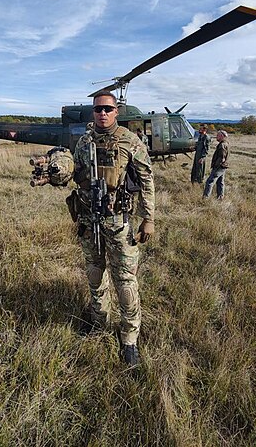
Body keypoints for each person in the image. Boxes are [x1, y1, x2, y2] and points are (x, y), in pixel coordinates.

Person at [72, 91, 155, 366]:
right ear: (93, 112)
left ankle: (129, 339)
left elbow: (146, 180)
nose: (102, 114)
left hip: (119, 223)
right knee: (95, 275)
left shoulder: (131, 141)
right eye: (98, 109)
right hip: (89, 221)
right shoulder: (84, 142)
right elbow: (75, 173)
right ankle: (99, 322)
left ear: (116, 111)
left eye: (108, 109)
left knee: (125, 282)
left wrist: (149, 218)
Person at [203, 130, 230, 200]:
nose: (216, 137)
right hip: (223, 166)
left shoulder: (222, 145)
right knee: (220, 182)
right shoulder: (226, 143)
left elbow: (222, 157)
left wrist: (216, 166)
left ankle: (205, 198)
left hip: (219, 166)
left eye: (218, 135)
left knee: (210, 181)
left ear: (222, 136)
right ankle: (220, 198)